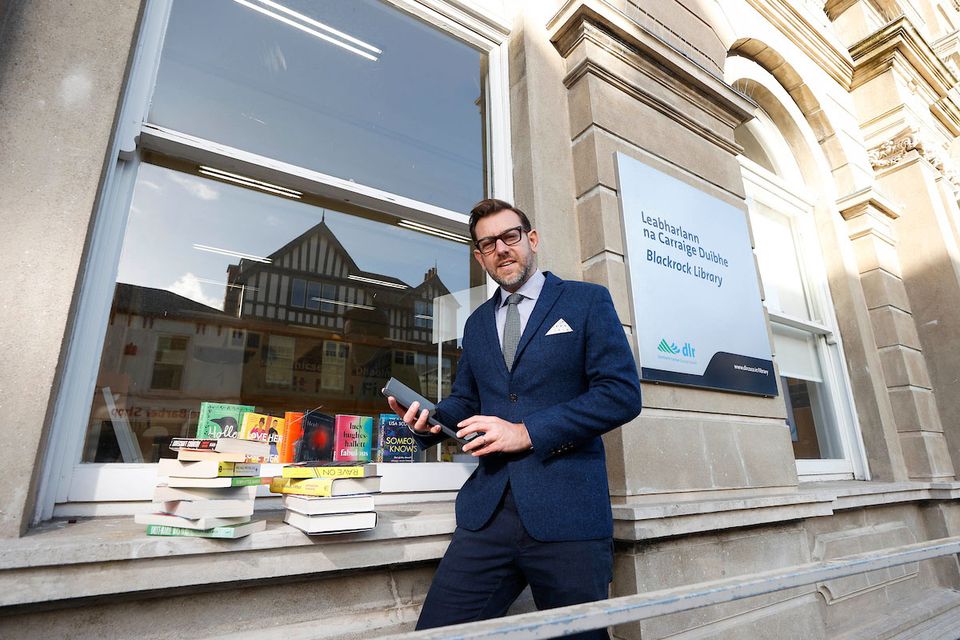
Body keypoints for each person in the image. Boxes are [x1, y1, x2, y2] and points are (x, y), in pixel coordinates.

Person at [387, 198, 642, 639]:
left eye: (511, 236)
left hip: (568, 515)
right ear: (479, 256)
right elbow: (466, 400)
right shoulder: (477, 323)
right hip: (488, 514)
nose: (502, 248)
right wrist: (427, 423)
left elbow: (620, 395)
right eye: (489, 243)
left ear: (532, 239)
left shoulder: (586, 301)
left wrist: (527, 432)